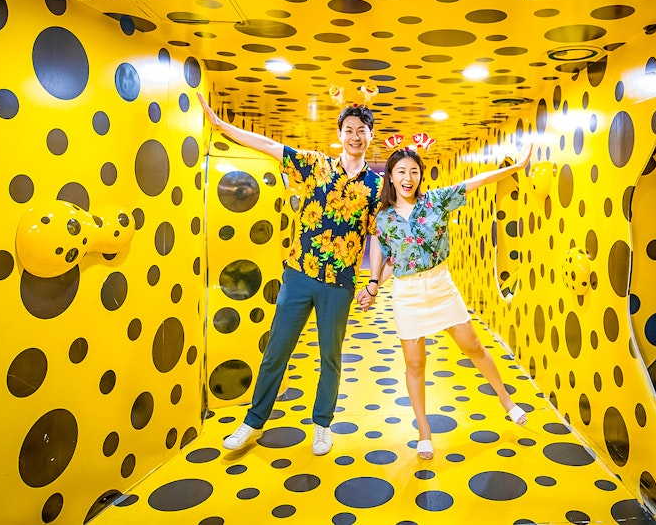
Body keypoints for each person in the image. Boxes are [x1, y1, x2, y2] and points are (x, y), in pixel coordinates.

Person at [197, 92, 382, 455]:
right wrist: (221, 125)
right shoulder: (316, 165)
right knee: (277, 350)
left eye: (362, 130)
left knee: (331, 356)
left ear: (371, 136)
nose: (355, 136)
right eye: (349, 130)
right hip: (299, 273)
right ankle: (253, 421)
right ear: (339, 133)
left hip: (340, 282)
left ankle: (322, 425)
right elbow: (269, 145)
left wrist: (373, 283)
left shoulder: (376, 187)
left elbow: (376, 238)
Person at [366, 140, 532, 460]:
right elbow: (390, 259)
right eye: (401, 171)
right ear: (390, 176)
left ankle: (506, 401)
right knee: (415, 364)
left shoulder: (437, 201)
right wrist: (373, 286)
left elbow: (478, 181)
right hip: (408, 293)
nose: (408, 177)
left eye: (414, 171)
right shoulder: (385, 217)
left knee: (473, 346)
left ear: (420, 176)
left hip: (441, 285)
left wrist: (514, 167)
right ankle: (424, 431)